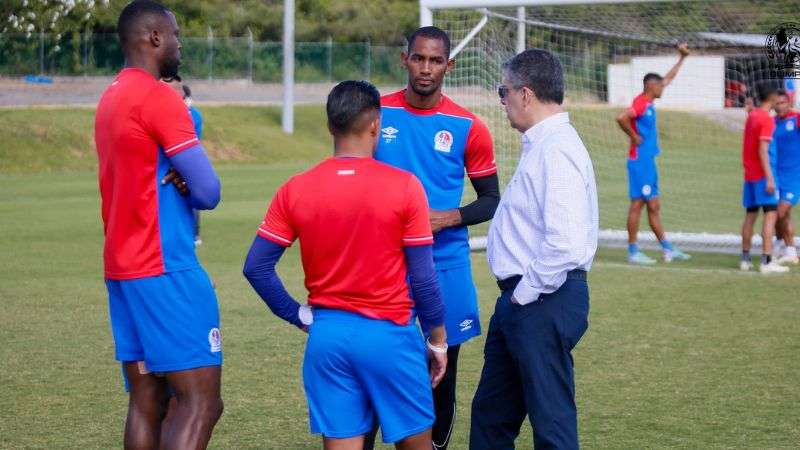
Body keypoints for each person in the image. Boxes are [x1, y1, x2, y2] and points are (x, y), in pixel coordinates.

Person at [243, 80, 448, 450]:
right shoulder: (405, 186)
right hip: (390, 338)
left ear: (330, 126)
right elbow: (423, 277)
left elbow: (256, 267)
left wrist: (298, 315)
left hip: (328, 339)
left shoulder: (296, 188)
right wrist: (437, 341)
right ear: (375, 124)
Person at [94, 1, 223, 449]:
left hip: (123, 266)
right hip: (165, 265)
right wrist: (187, 177)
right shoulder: (157, 98)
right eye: (175, 34)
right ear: (153, 38)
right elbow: (209, 191)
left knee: (147, 401)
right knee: (201, 403)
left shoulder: (111, 95)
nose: (180, 42)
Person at [367, 26, 499, 450]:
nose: (426, 68)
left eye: (435, 60)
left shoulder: (467, 125)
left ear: (449, 65)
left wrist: (448, 218)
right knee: (374, 367)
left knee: (440, 372)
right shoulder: (376, 113)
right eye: (419, 59)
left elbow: (492, 199)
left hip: (445, 266)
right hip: (383, 266)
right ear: (405, 60)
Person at [470, 49, 598, 450]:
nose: (502, 100)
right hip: (525, 299)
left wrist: (523, 295)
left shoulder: (557, 148)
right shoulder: (542, 145)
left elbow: (565, 242)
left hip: (542, 298)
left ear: (525, 94)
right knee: (491, 418)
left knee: (552, 423)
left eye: (502, 91)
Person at [616, 43, 692, 264]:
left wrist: (681, 58)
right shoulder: (640, 103)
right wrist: (633, 135)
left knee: (654, 205)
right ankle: (633, 252)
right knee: (638, 204)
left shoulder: (649, 100)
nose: (664, 88)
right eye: (660, 86)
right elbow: (621, 117)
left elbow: (668, 78)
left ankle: (668, 249)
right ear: (651, 86)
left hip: (648, 161)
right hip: (639, 161)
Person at [740, 85, 789, 273]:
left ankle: (745, 259)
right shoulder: (767, 120)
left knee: (750, 216)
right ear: (773, 97)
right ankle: (766, 261)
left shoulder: (752, 116)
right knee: (770, 215)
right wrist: (770, 178)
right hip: (763, 175)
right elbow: (762, 150)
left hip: (750, 175)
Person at [164, 74, 205, 246]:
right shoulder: (185, 113)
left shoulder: (193, 115)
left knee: (190, 195)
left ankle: (194, 233)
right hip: (177, 160)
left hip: (185, 159)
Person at [773, 90, 800, 265]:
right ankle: (786, 249)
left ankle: (783, 247)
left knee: (779, 212)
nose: (780, 106)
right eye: (777, 103)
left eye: (783, 102)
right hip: (776, 177)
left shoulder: (796, 120)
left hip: (794, 177)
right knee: (782, 215)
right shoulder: (771, 122)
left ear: (789, 103)